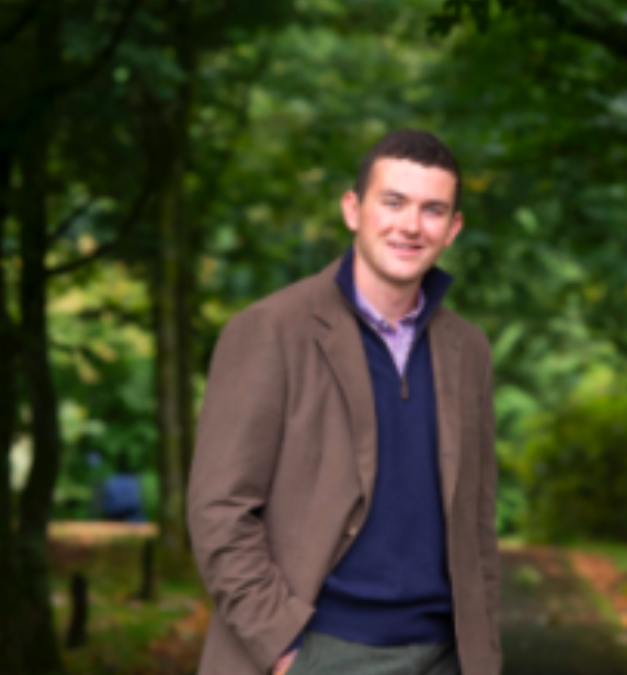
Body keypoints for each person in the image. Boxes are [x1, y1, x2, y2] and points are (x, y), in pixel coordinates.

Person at [188, 129, 500, 675]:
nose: (410, 225)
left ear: (453, 229)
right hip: (322, 649)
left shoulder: (467, 348)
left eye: (432, 210)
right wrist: (282, 647)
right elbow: (219, 508)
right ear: (353, 209)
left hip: (448, 655)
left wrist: (484, 652)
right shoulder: (269, 330)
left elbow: (477, 518)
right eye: (393, 202)